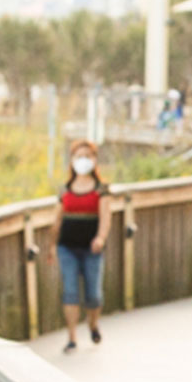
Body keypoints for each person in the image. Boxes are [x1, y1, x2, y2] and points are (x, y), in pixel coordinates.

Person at [55, 141, 109, 352]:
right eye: (79, 156)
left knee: (93, 295)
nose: (83, 160)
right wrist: (51, 246)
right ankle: (72, 337)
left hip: (92, 249)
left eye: (87, 155)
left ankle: (93, 324)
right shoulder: (65, 190)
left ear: (94, 160)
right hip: (67, 247)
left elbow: (106, 217)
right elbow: (56, 219)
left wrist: (101, 238)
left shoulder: (101, 189)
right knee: (70, 292)